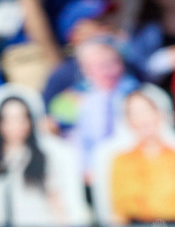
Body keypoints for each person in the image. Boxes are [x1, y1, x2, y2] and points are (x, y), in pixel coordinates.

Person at [0, 87, 90, 227]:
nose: (16, 126)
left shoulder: (51, 155)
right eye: (8, 120)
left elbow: (59, 202)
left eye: (22, 118)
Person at [102, 87, 175, 226]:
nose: (143, 119)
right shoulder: (121, 161)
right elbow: (120, 207)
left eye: (147, 111)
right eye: (135, 114)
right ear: (128, 121)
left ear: (160, 114)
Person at [46, 35, 139, 182]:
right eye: (101, 66)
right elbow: (51, 126)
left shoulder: (133, 91)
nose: (109, 71)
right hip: (89, 172)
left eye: (114, 63)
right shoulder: (71, 98)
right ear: (85, 69)